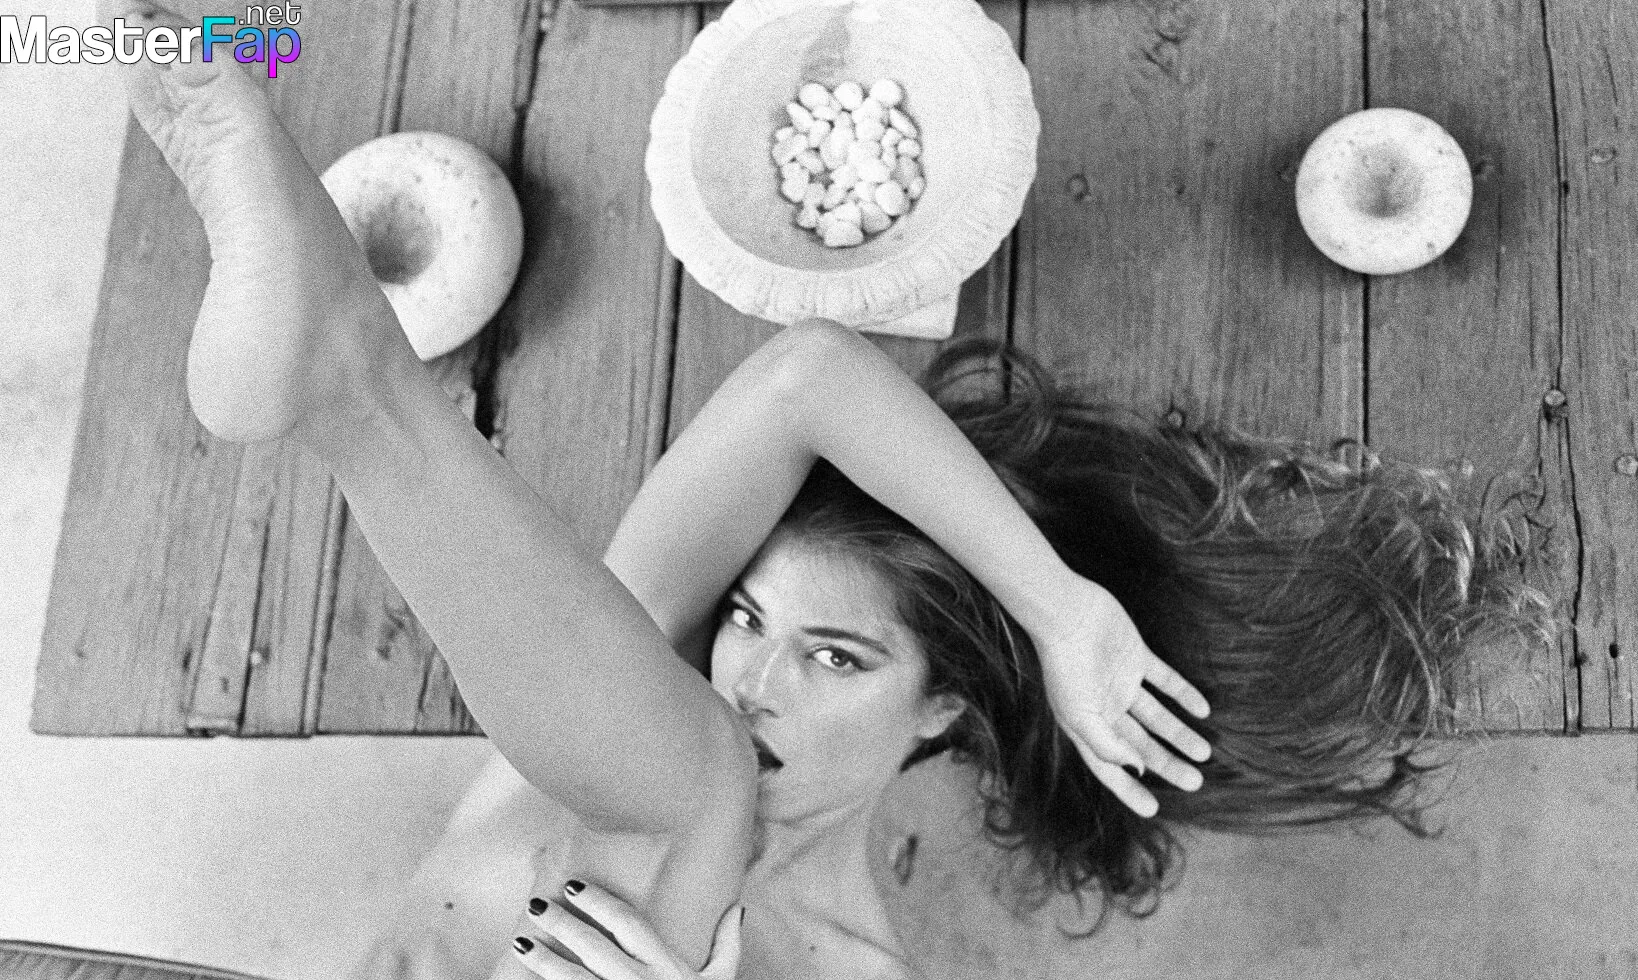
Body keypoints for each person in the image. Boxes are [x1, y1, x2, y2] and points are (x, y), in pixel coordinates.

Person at [109, 7, 1543, 977]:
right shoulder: (629, 691)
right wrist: (1057, 607)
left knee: (700, 790)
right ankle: (343, 371)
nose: (749, 676)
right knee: (696, 773)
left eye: (836, 657)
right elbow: (805, 377)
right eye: (746, 618)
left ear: (943, 709)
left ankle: (350, 380)